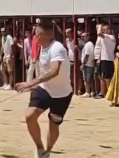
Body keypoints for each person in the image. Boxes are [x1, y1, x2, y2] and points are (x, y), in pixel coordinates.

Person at [15, 22, 72, 158]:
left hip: (61, 94)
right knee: (30, 116)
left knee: (54, 125)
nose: (35, 37)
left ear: (43, 35)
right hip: (44, 89)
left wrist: (32, 82)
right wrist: (35, 84)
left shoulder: (57, 48)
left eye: (36, 34)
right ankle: (40, 148)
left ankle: (47, 151)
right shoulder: (42, 47)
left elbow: (54, 71)